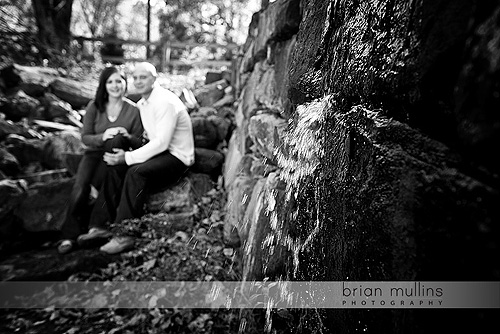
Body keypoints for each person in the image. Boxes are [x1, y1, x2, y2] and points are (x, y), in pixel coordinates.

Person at [77, 62, 195, 254]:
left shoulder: (165, 101)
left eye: (144, 77)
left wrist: (128, 157)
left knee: (134, 172)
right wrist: (128, 139)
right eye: (136, 78)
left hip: (177, 157)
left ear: (154, 79)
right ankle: (100, 226)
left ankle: (125, 235)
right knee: (116, 165)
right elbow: (148, 138)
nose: (139, 81)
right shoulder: (142, 104)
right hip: (159, 153)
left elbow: (162, 143)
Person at [57, 66, 144, 254]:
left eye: (119, 81)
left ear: (125, 84)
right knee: (80, 187)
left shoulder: (133, 110)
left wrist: (127, 135)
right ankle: (68, 236)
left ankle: (97, 228)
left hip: (114, 156)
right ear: (104, 85)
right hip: (94, 154)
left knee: (115, 147)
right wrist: (103, 136)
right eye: (110, 82)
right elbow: (85, 137)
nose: (115, 85)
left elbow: (139, 141)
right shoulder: (95, 106)